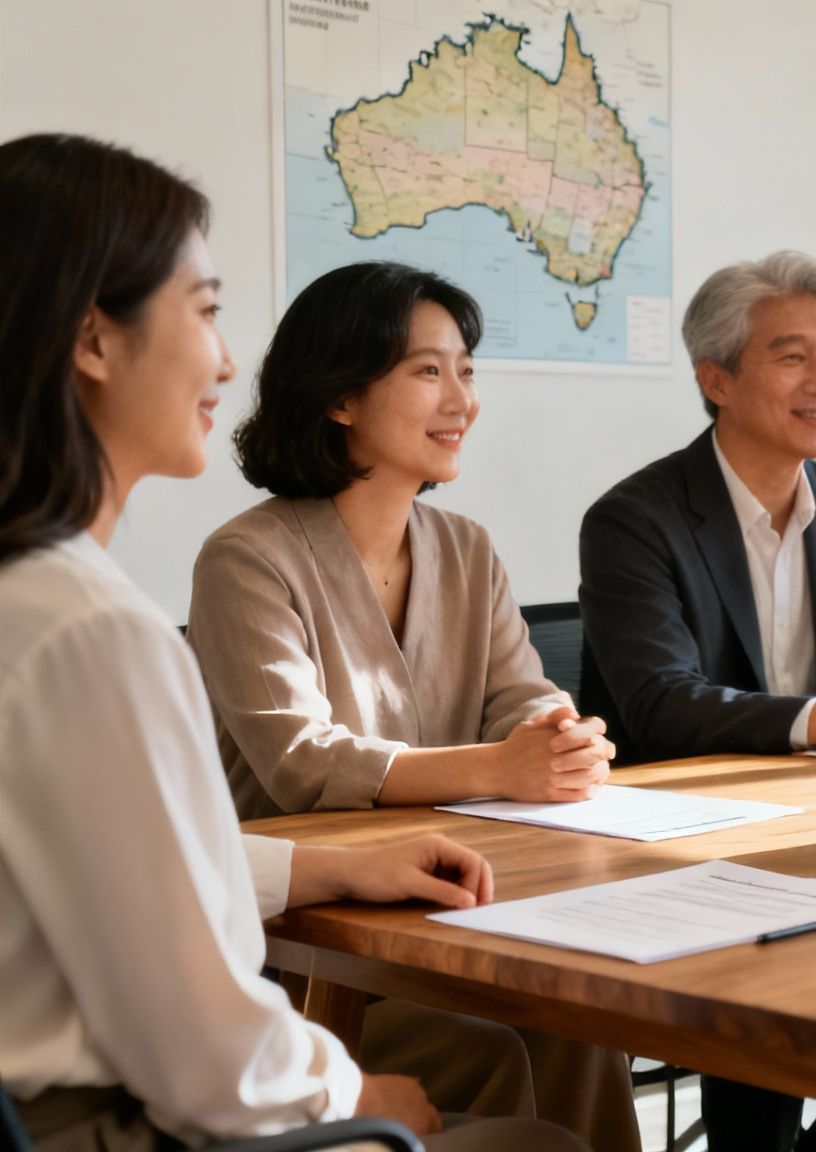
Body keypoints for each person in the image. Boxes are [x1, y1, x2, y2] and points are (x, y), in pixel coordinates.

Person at [0, 132, 583, 1152]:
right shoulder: (93, 633)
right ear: (94, 342)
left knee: (560, 1038)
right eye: (208, 311)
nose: (227, 359)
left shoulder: (39, 605)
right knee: (539, 1144)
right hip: (117, 1122)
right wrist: (347, 1093)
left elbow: (136, 868)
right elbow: (207, 1053)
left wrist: (316, 872)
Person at [183, 262, 638, 1152]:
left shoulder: (465, 547)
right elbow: (304, 763)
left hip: (459, 909)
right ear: (342, 396)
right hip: (304, 949)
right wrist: (503, 765)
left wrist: (558, 734)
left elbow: (523, 693)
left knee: (585, 1022)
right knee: (500, 1038)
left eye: (467, 371)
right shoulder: (246, 557)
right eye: (429, 371)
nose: (460, 399)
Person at [580, 250, 816, 1150]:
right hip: (684, 844)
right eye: (793, 357)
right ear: (716, 379)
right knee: (771, 1028)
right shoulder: (635, 519)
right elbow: (660, 704)